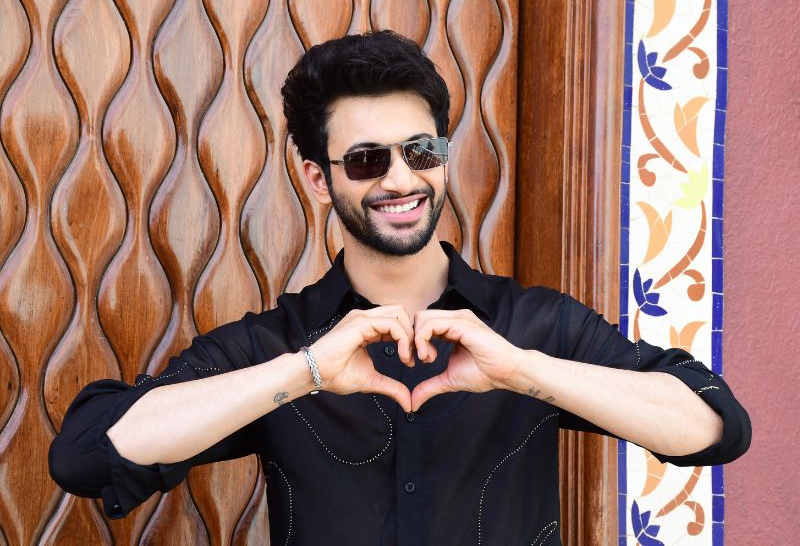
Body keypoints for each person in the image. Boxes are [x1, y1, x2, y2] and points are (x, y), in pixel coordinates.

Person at [49, 30, 750, 545]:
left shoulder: (533, 325)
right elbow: (85, 456)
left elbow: (714, 426)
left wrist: (523, 371)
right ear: (317, 179)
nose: (400, 179)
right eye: (365, 160)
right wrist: (304, 373)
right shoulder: (277, 345)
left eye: (420, 151)